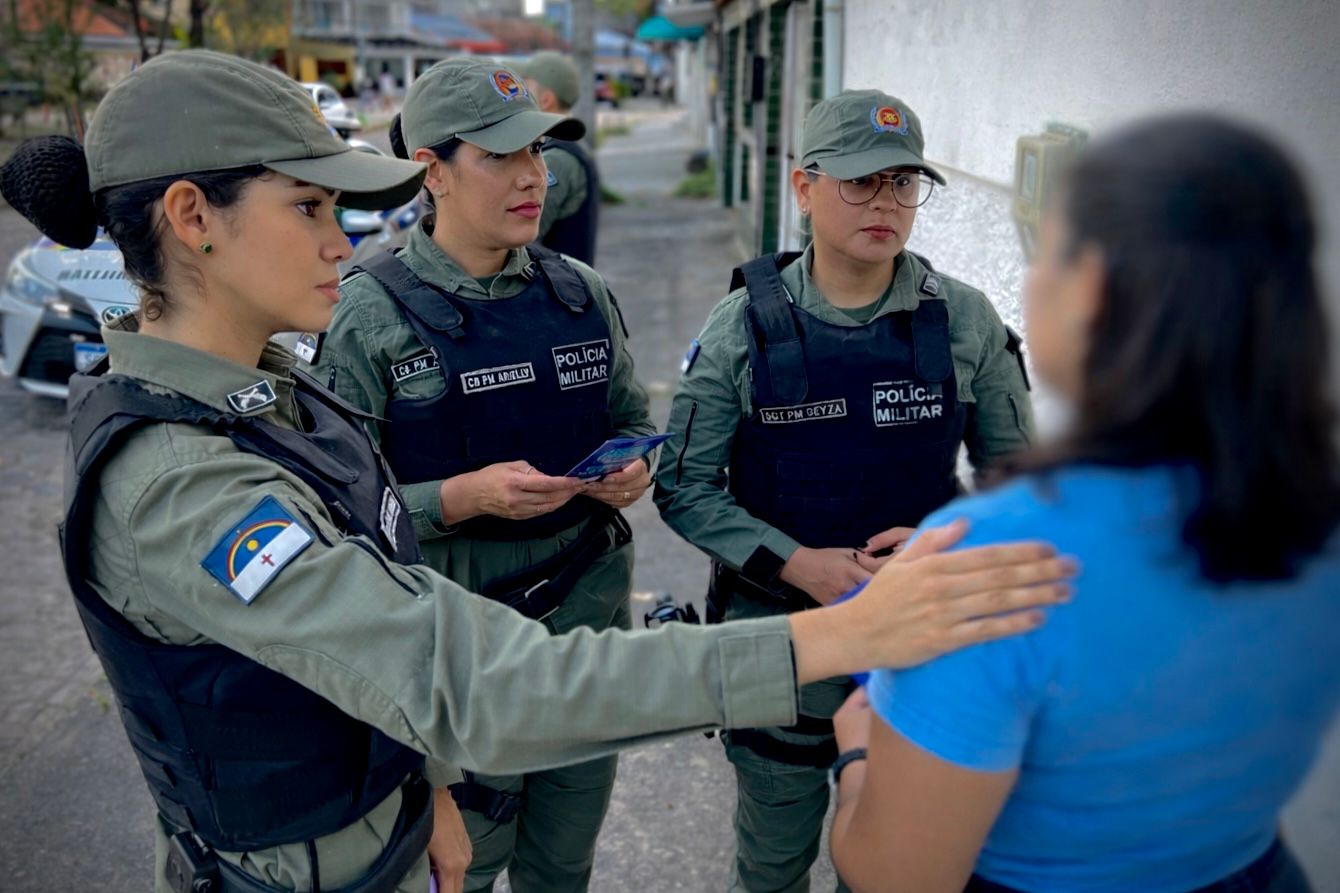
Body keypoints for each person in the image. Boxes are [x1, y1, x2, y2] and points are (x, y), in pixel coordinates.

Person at [0, 51, 1076, 893]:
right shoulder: (184, 479)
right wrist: (840, 634)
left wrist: (427, 791)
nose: (343, 240)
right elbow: (464, 675)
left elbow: (385, 607)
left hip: (403, 815)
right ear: (193, 217)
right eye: (310, 207)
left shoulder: (284, 395)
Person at [827, 114, 1340, 893]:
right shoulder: (1312, 511)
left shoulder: (989, 563)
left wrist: (859, 753)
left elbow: (896, 875)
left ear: (1089, 286)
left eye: (1047, 251)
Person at [653, 89, 1035, 893]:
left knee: (901, 873)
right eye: (861, 182)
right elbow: (683, 485)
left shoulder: (964, 322)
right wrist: (802, 565)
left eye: (903, 182)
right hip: (779, 648)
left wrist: (944, 543)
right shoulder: (742, 326)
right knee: (772, 867)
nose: (886, 203)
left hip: (922, 647)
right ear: (803, 187)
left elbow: (1023, 490)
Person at [310, 55, 645, 892]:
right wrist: (460, 498)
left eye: (538, 151)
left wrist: (630, 466)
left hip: (586, 634)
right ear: (434, 171)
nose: (535, 177)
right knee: (467, 869)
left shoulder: (581, 293)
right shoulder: (368, 310)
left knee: (564, 863)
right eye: (502, 156)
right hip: (462, 655)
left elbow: (632, 417)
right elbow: (331, 505)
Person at [517, 51, 601, 265]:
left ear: (546, 100)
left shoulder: (556, 159)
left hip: (558, 290)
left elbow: (521, 236)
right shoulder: (568, 148)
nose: (516, 96)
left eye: (525, 89)